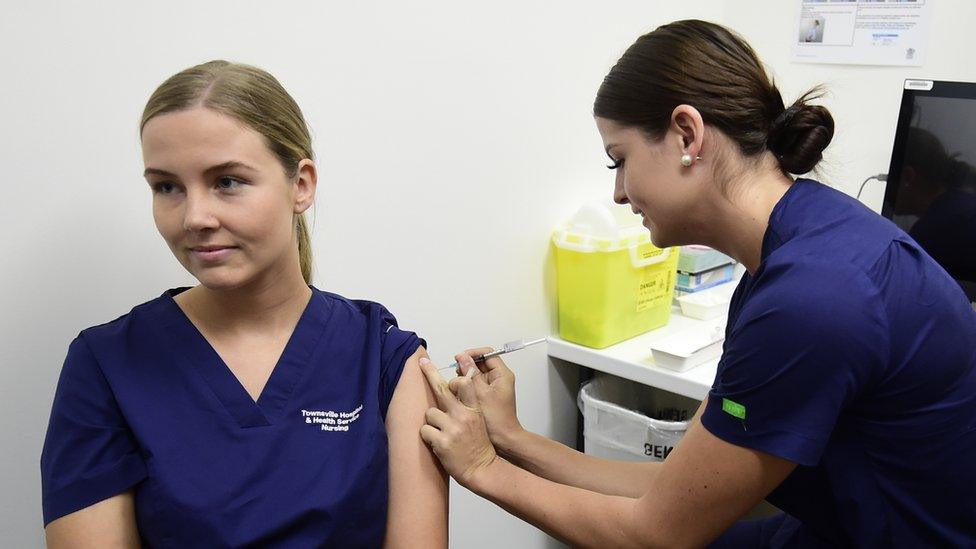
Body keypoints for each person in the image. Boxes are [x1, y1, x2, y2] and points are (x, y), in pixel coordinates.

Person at [418, 20, 976, 547]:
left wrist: (482, 470)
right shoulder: (792, 251)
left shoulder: (812, 300)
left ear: (687, 132)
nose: (617, 192)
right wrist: (510, 440)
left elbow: (657, 533)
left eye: (620, 159)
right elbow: (673, 491)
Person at [40, 61, 447, 548]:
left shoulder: (384, 358)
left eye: (227, 181)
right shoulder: (106, 365)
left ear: (301, 185)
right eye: (166, 186)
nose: (195, 217)